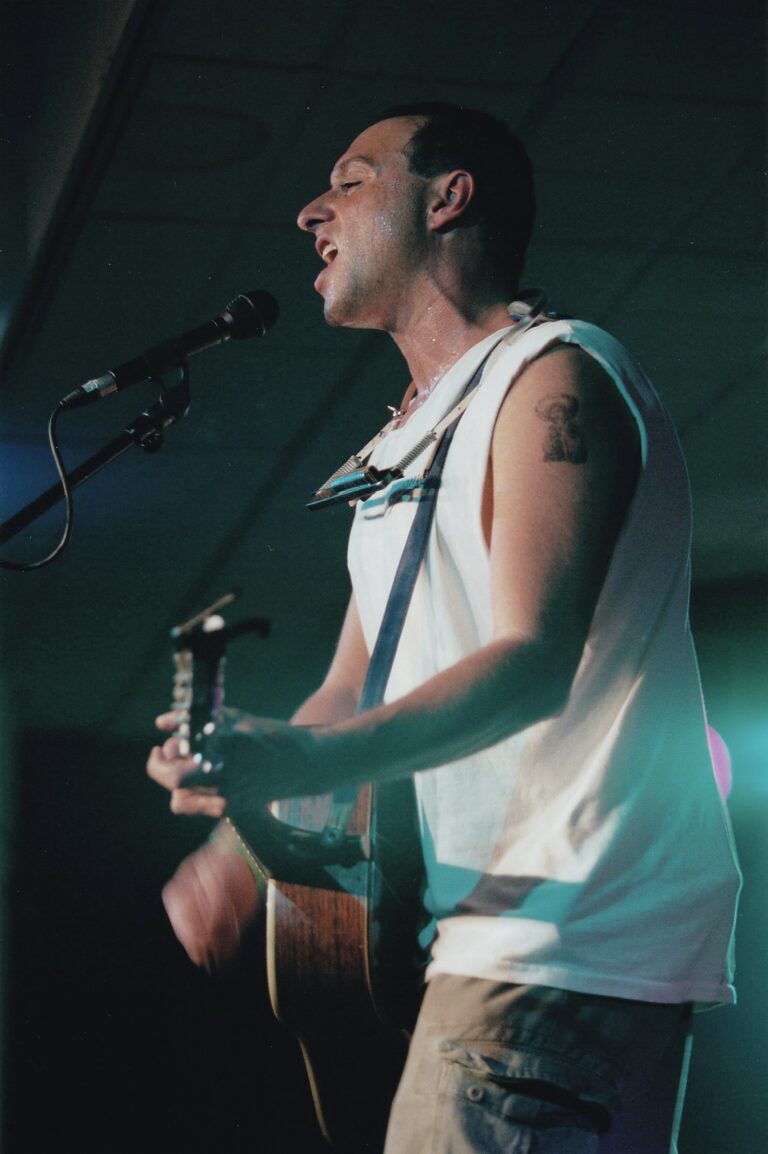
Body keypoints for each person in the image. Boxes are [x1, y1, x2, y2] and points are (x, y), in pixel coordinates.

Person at [147, 103, 742, 1153]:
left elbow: (533, 662)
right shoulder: (412, 440)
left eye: (351, 179)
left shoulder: (553, 372)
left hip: (566, 934)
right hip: (500, 939)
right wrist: (240, 834)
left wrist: (300, 758)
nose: (310, 211)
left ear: (449, 198)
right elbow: (350, 686)